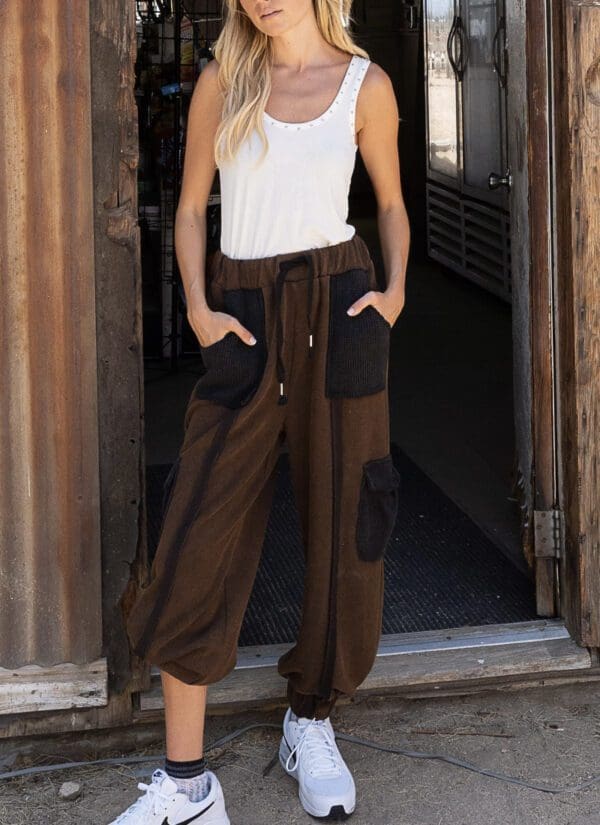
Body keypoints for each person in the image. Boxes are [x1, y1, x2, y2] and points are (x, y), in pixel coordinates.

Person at [113, 0, 409, 822]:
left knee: (347, 518)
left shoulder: (367, 86)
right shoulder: (224, 80)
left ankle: (311, 719)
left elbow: (388, 201)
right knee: (199, 524)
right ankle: (187, 783)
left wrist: (393, 292)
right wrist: (203, 313)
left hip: (341, 304)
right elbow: (187, 210)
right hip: (244, 308)